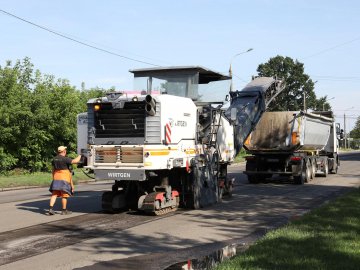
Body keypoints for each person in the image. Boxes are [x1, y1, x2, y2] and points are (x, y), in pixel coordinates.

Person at [48, 146, 81, 215]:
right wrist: (81, 155)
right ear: (64, 151)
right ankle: (64, 210)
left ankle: (50, 209)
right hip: (64, 179)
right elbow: (75, 161)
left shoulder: (54, 159)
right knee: (64, 195)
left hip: (56, 178)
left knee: (54, 194)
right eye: (65, 150)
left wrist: (53, 178)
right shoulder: (65, 159)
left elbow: (53, 170)